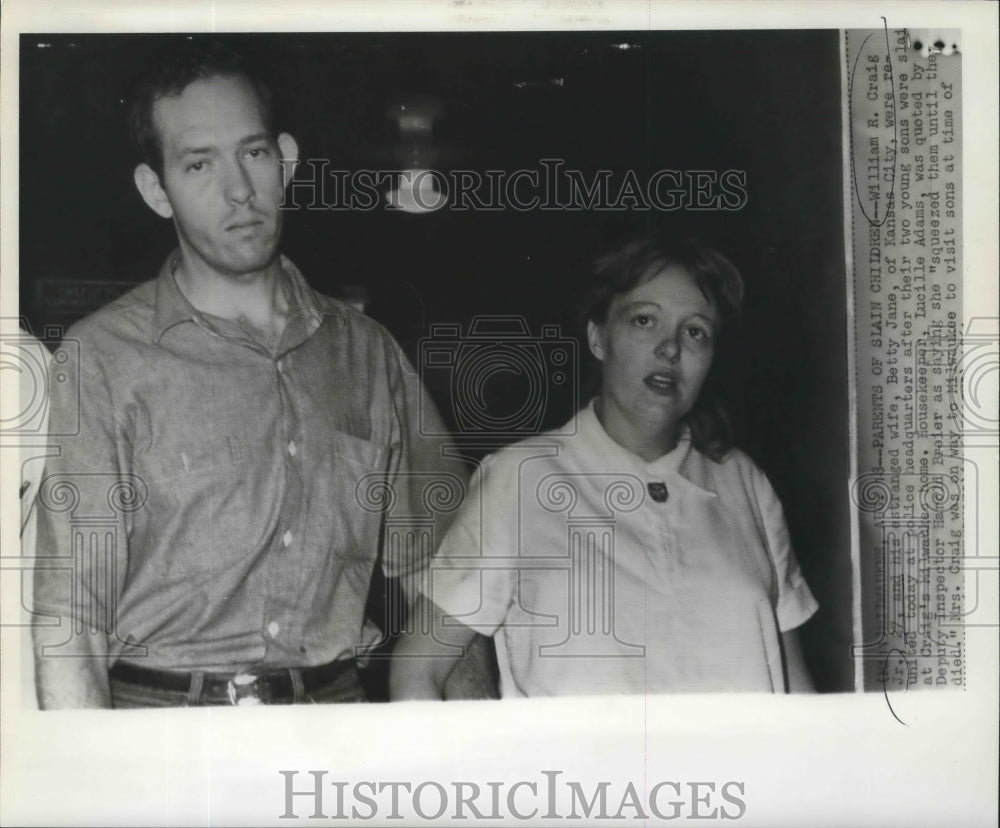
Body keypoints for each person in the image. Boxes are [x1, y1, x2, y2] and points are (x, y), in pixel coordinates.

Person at [31, 39, 485, 708]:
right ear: (157, 190)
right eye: (198, 164)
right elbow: (73, 624)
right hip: (162, 735)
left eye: (253, 152)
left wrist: (471, 759)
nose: (238, 190)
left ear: (288, 161)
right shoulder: (101, 360)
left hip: (336, 728)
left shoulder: (369, 354)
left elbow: (449, 583)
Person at [391, 236, 818, 698]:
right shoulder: (521, 478)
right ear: (599, 337)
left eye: (695, 331)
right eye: (644, 320)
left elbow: (794, 687)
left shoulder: (744, 481)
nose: (670, 349)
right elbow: (418, 670)